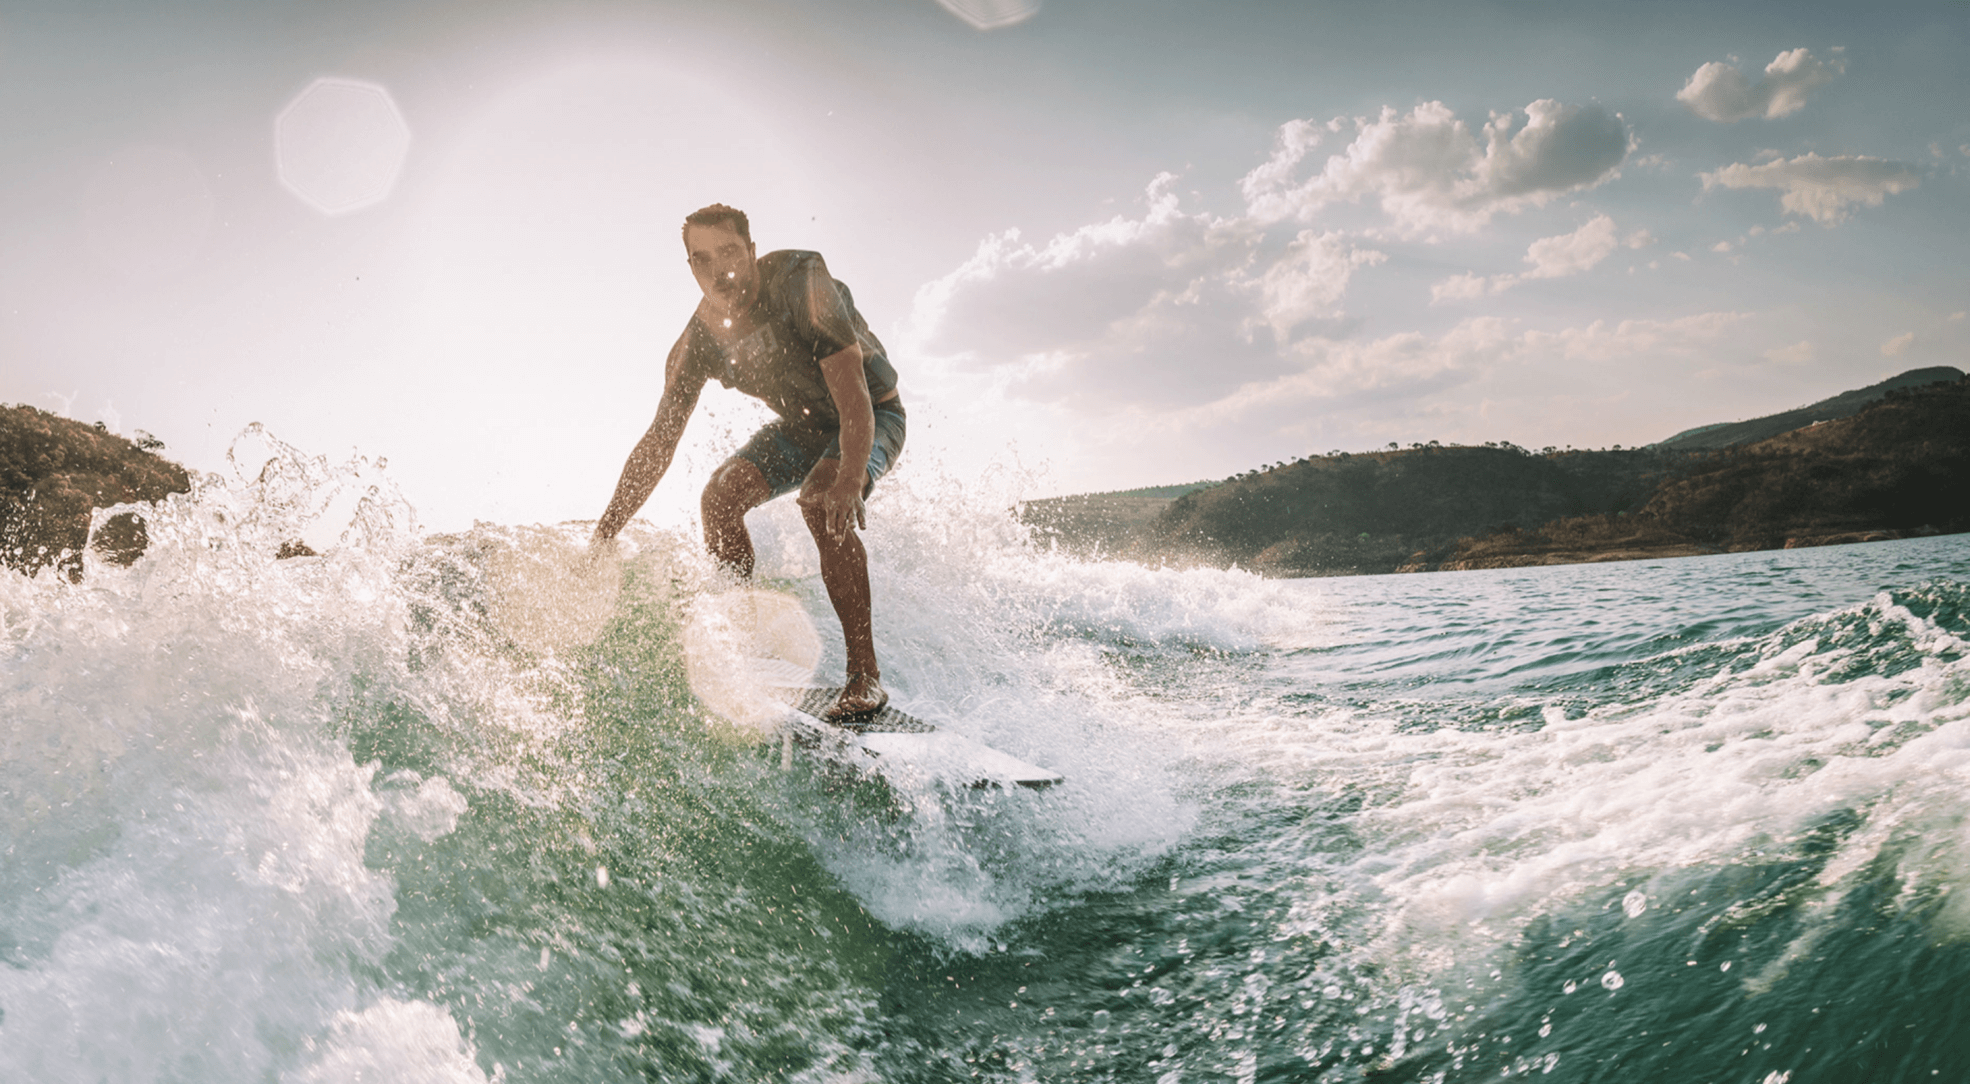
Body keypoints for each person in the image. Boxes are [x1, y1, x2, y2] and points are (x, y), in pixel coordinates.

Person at [591, 204, 904, 720]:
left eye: (731, 252)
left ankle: (864, 675)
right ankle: (746, 640)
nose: (720, 271)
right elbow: (658, 444)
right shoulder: (697, 343)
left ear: (753, 252)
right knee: (718, 499)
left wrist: (850, 477)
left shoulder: (804, 283)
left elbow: (854, 398)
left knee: (820, 499)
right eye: (702, 260)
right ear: (691, 268)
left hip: (873, 414)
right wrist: (605, 535)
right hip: (801, 431)